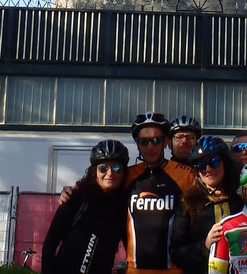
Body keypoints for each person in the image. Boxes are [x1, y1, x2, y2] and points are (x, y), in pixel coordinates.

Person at [124, 110, 198, 274]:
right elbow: (99, 189)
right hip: (134, 270)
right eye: (144, 141)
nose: (150, 147)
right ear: (137, 144)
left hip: (174, 269)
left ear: (165, 142)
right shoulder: (127, 176)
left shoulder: (186, 175)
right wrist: (73, 190)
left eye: (156, 140)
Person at [40, 139, 129, 274]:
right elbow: (50, 243)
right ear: (95, 172)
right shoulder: (76, 197)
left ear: (123, 173)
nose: (110, 173)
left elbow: (131, 247)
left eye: (116, 168)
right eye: (103, 168)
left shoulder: (124, 205)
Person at [170, 135, 242, 274]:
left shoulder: (241, 197)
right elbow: (176, 253)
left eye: (214, 162)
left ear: (225, 163)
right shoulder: (189, 201)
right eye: (201, 166)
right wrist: (205, 245)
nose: (208, 169)